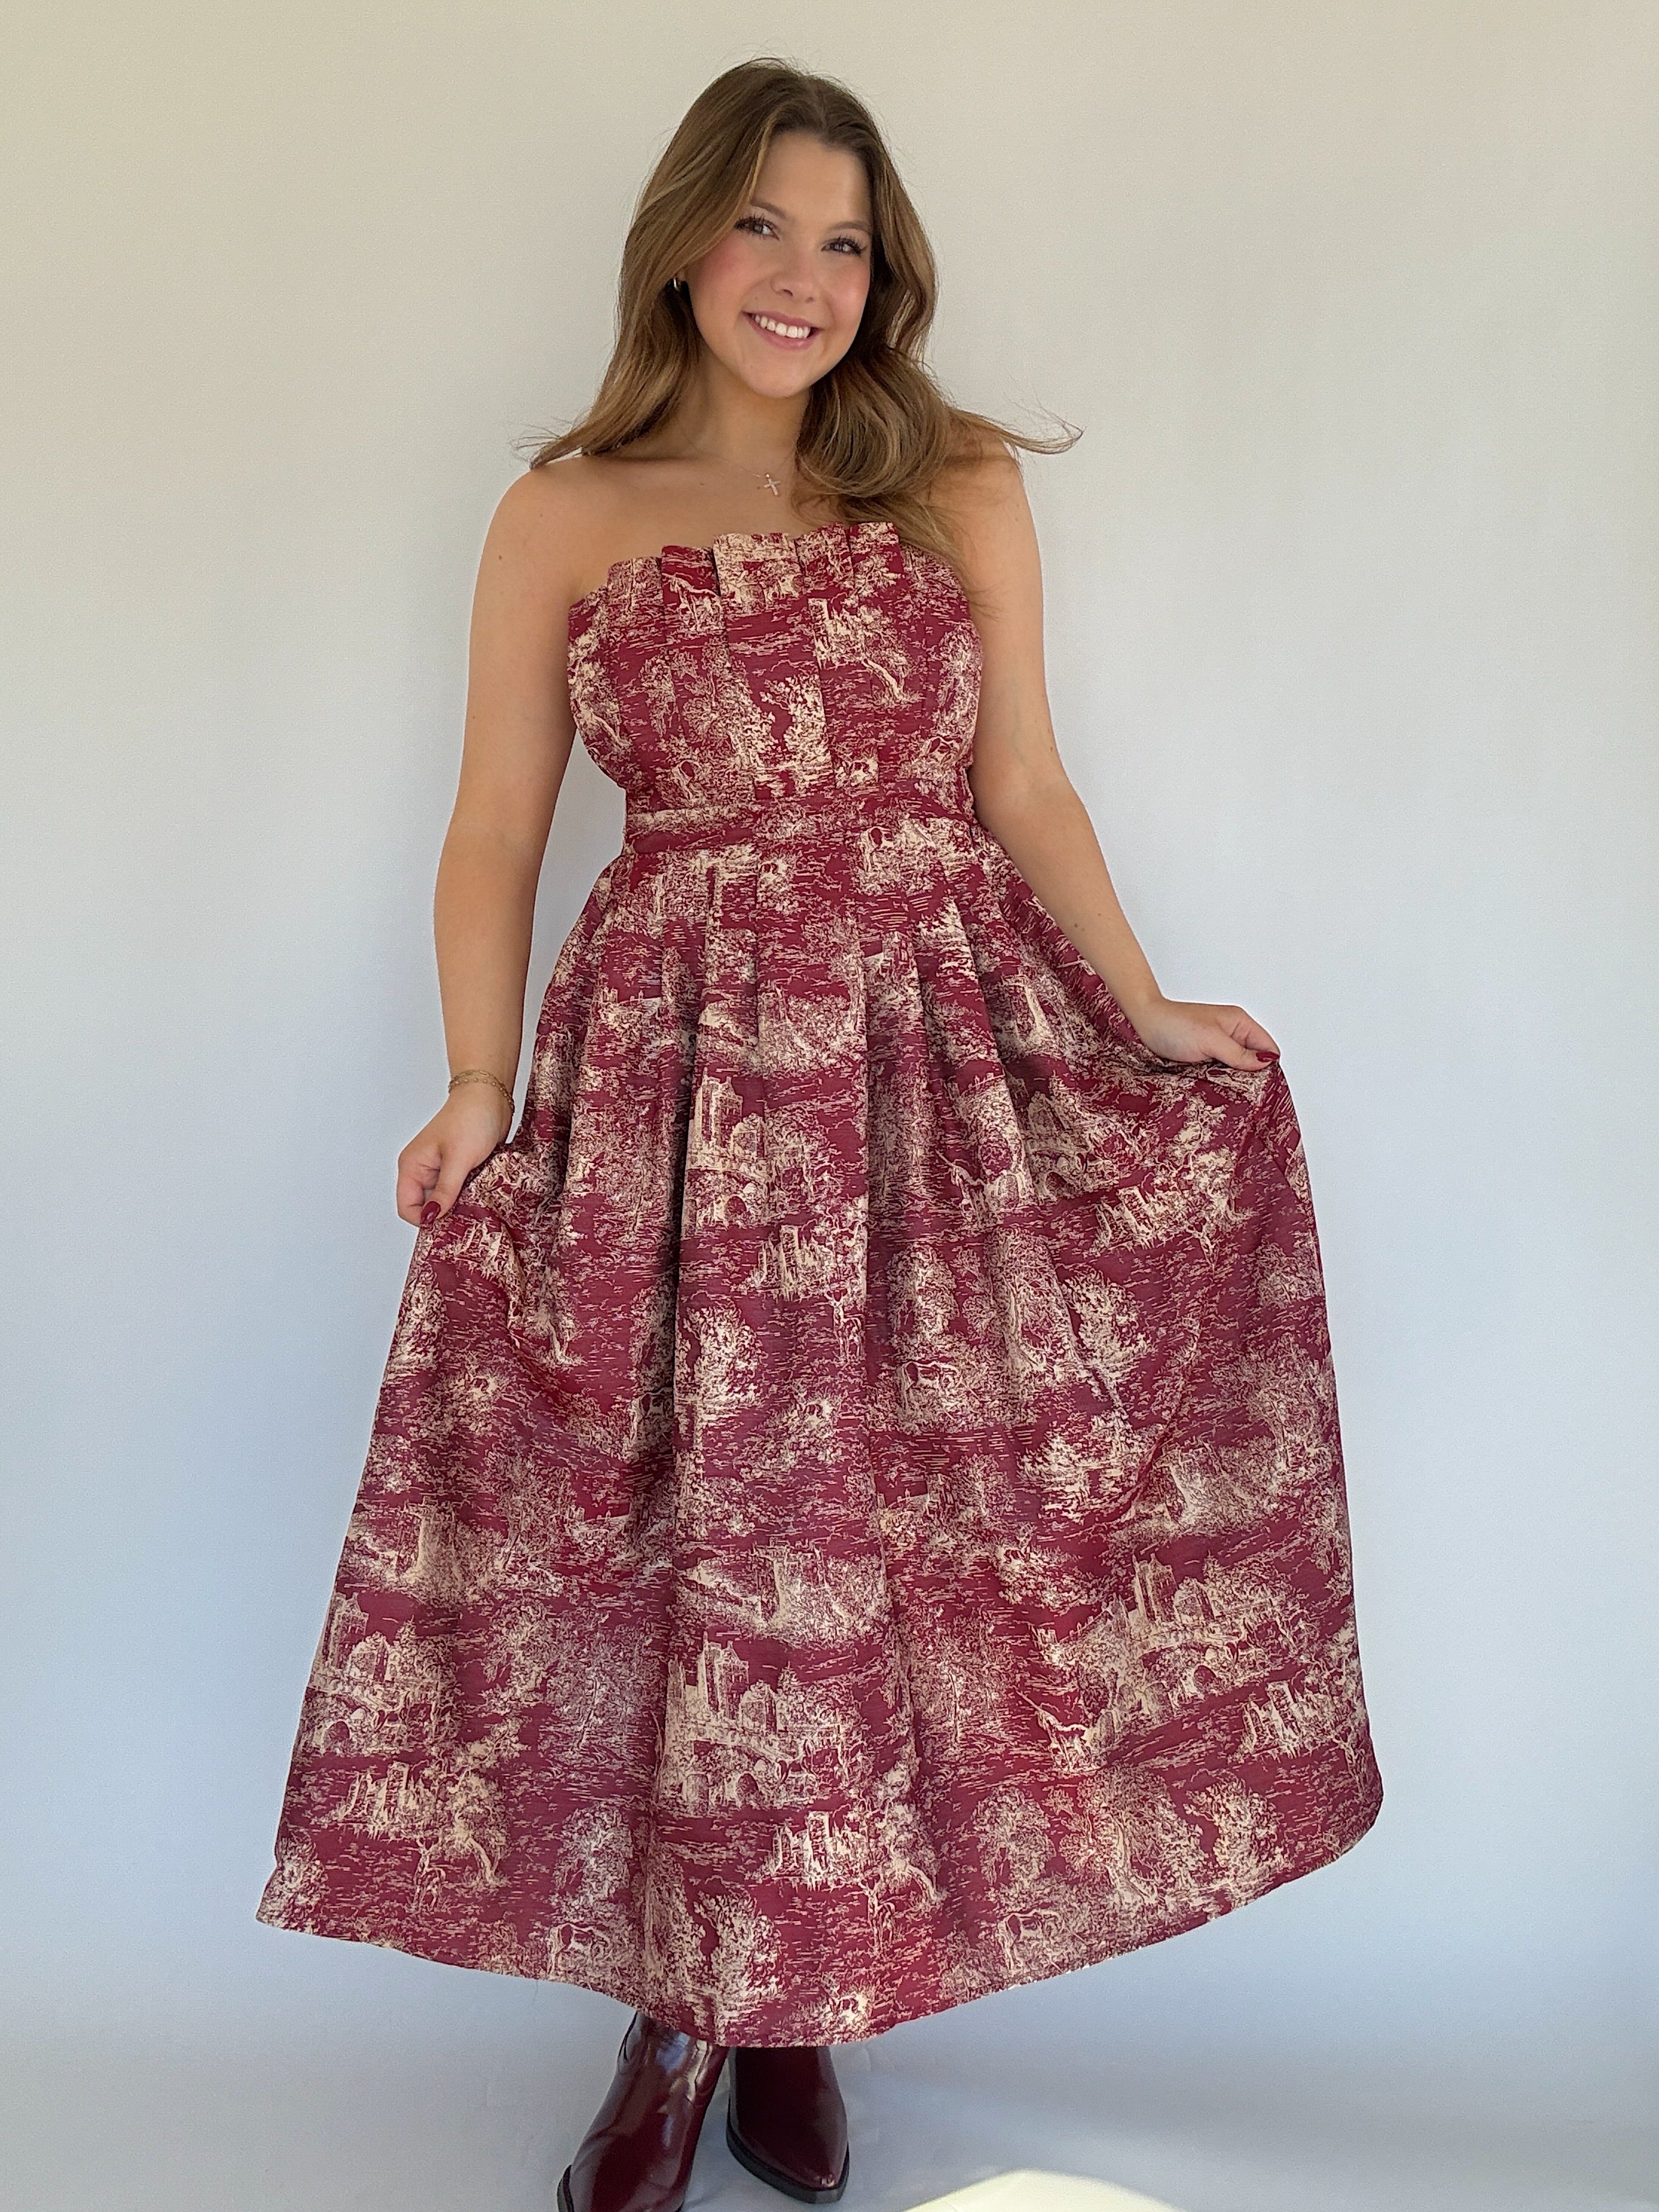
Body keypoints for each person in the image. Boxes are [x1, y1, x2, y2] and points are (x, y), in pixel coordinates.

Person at [256, 55, 1384, 2212]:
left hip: (929, 1074)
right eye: (764, 225)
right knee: (707, 1542)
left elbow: (1021, 786)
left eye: (844, 240)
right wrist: (479, 1087)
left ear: (886, 278)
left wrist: (1141, 1008)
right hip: (675, 1091)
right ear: (684, 240)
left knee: (885, 1540)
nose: (801, 275)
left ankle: (794, 2006)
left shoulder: (947, 480)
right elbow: (495, 829)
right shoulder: (563, 512)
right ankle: (683, 2015)